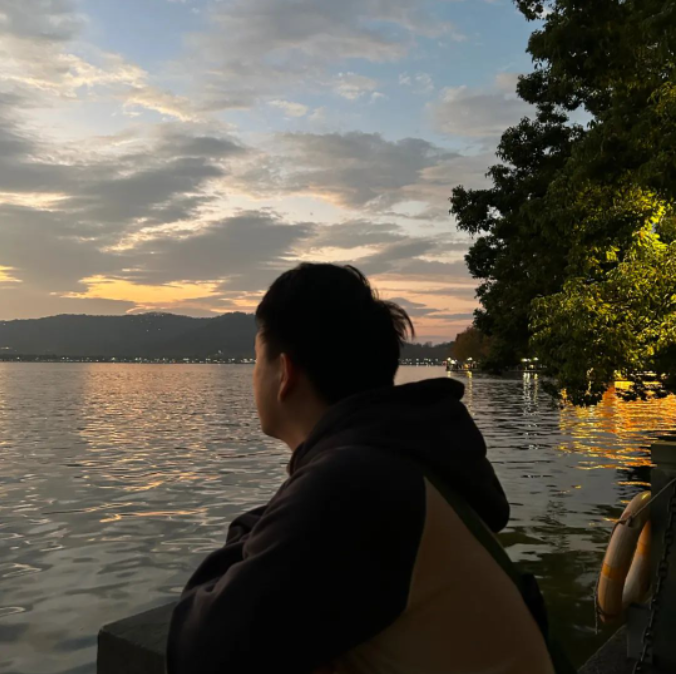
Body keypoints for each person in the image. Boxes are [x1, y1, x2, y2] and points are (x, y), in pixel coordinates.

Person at [167, 263, 560, 674]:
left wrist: (253, 528)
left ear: (284, 373)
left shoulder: (355, 485)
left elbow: (200, 654)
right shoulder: (407, 460)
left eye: (255, 360)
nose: (252, 377)